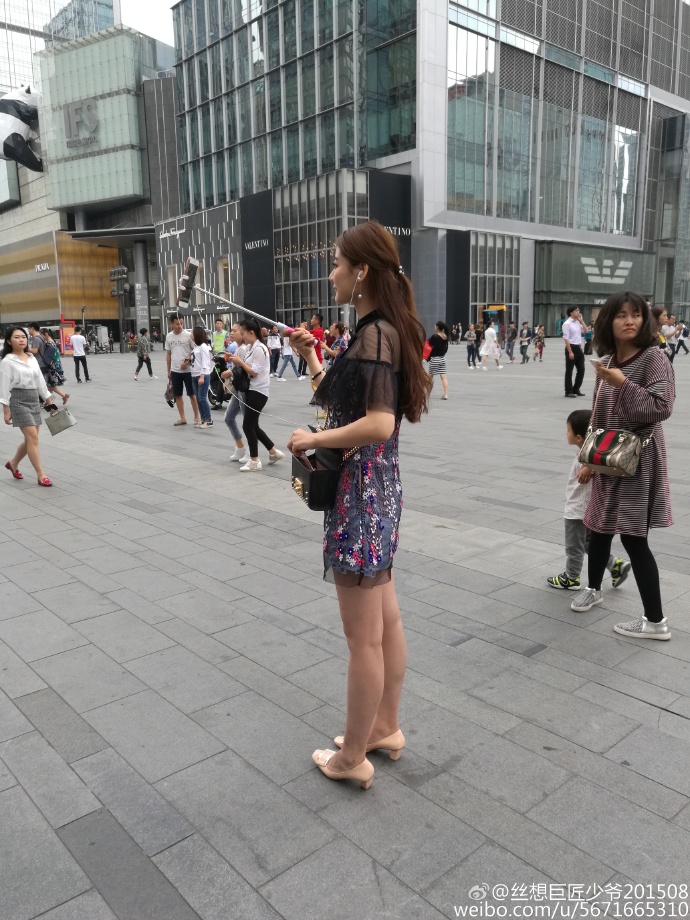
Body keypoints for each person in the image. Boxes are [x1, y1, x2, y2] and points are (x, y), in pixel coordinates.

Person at [288, 222, 432, 790]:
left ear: (362, 270)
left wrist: (312, 439)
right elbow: (344, 402)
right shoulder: (379, 331)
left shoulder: (375, 336)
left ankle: (352, 757)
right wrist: (311, 357)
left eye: (337, 263)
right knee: (386, 621)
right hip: (378, 492)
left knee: (363, 638)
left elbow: (377, 423)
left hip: (361, 497)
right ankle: (384, 727)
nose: (332, 274)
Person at [570, 292, 675, 641]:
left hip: (637, 460)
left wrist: (623, 384)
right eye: (621, 315)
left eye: (636, 314)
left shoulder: (653, 358)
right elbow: (598, 415)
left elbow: (661, 407)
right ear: (608, 322)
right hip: (607, 459)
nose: (630, 320)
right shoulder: (608, 360)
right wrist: (589, 459)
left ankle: (655, 621)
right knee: (598, 527)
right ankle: (593, 588)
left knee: (632, 537)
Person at [547, 408, 630, 592]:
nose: (566, 433)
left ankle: (571, 578)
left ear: (578, 438)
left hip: (577, 511)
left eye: (568, 430)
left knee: (574, 547)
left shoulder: (585, 459)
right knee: (589, 544)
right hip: (590, 509)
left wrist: (588, 466)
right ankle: (615, 565)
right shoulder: (593, 457)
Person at [1, 327, 58, 487]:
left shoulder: (31, 358)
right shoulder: (7, 361)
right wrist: (6, 410)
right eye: (17, 337)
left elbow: (40, 380)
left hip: (34, 399)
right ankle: (41, 475)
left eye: (23, 337)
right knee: (33, 438)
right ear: (9, 341)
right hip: (18, 400)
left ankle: (13, 463)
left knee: (30, 439)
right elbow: (4, 386)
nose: (21, 340)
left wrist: (49, 401)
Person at [225, 318, 284, 471]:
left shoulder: (259, 349)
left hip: (258, 391)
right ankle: (273, 452)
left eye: (243, 333)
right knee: (253, 425)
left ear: (251, 333)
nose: (242, 336)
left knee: (248, 425)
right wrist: (236, 361)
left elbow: (254, 372)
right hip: (252, 389)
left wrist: (239, 361)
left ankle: (254, 460)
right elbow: (247, 368)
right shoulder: (251, 347)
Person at [165, 314, 200, 427]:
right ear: (171, 323)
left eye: (181, 323)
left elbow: (195, 350)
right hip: (175, 371)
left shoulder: (188, 335)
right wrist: (168, 370)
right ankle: (182, 418)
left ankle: (196, 417)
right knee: (178, 395)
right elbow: (168, 354)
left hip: (189, 371)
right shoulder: (169, 336)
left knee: (192, 394)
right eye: (177, 323)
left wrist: (187, 361)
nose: (180, 326)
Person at [221, 322, 249, 461]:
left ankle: (252, 453)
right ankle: (240, 448)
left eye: (234, 331)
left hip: (243, 389)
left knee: (248, 423)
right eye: (230, 330)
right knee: (229, 417)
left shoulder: (243, 349)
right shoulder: (238, 348)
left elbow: (244, 370)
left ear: (242, 334)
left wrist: (230, 372)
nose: (231, 333)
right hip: (238, 389)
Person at [28, 324, 69, 405]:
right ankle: (52, 400)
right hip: (48, 364)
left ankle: (51, 401)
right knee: (48, 384)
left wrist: (25, 349)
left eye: (29, 329)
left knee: (45, 384)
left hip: (44, 364)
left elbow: (35, 351)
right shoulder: (46, 340)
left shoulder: (41, 340)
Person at [190, 326, 213, 428]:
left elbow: (205, 362)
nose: (191, 335)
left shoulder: (203, 347)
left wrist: (202, 376)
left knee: (202, 398)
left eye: (192, 333)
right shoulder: (196, 347)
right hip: (194, 375)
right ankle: (203, 419)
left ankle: (208, 420)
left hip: (202, 375)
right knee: (198, 399)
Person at [563, 306, 587, 397]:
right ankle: (568, 391)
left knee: (581, 369)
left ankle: (576, 389)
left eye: (578, 310)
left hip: (578, 347)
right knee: (569, 370)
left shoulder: (577, 322)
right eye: (576, 310)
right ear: (571, 313)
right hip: (571, 347)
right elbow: (566, 338)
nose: (578, 312)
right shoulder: (567, 324)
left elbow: (586, 331)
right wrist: (570, 352)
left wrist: (582, 321)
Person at [427, 321, 450, 399]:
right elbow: (446, 348)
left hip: (434, 359)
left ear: (437, 327)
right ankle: (446, 394)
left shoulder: (434, 336)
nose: (434, 327)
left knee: (430, 377)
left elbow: (429, 344)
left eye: (435, 326)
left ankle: (427, 394)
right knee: (444, 377)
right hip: (442, 359)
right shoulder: (445, 336)